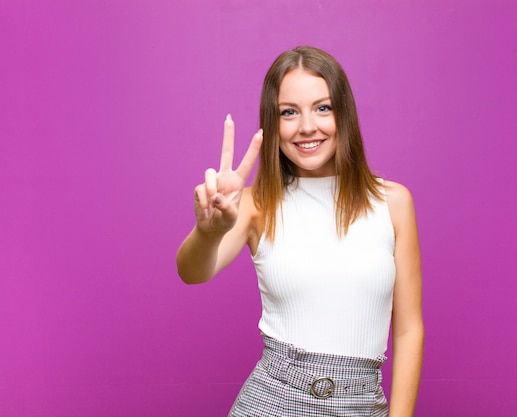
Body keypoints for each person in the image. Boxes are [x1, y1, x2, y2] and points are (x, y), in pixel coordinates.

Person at [176, 46, 424, 417]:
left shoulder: (393, 202)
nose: (307, 126)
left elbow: (408, 330)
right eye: (288, 112)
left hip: (362, 403)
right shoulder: (254, 203)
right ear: (272, 124)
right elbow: (192, 273)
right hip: (272, 401)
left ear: (345, 112)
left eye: (322, 107)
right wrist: (209, 232)